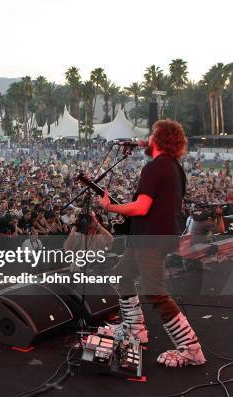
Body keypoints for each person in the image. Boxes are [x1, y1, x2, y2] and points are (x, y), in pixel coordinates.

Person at [99, 120, 205, 367]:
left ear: (160, 139)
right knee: (122, 276)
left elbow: (141, 207)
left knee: (155, 291)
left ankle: (192, 350)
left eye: (152, 135)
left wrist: (109, 206)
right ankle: (135, 329)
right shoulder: (173, 167)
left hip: (151, 239)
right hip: (149, 237)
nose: (147, 138)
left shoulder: (155, 168)